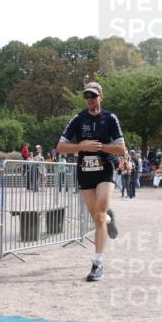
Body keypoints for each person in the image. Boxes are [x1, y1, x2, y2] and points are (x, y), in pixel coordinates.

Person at [56, 81, 126, 281]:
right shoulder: (78, 119)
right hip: (85, 171)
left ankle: (97, 263)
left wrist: (101, 147)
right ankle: (109, 219)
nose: (89, 100)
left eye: (93, 96)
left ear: (101, 97)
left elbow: (121, 149)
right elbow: (60, 147)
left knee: (99, 215)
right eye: (86, 96)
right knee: (97, 217)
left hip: (105, 169)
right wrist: (81, 146)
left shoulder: (110, 118)